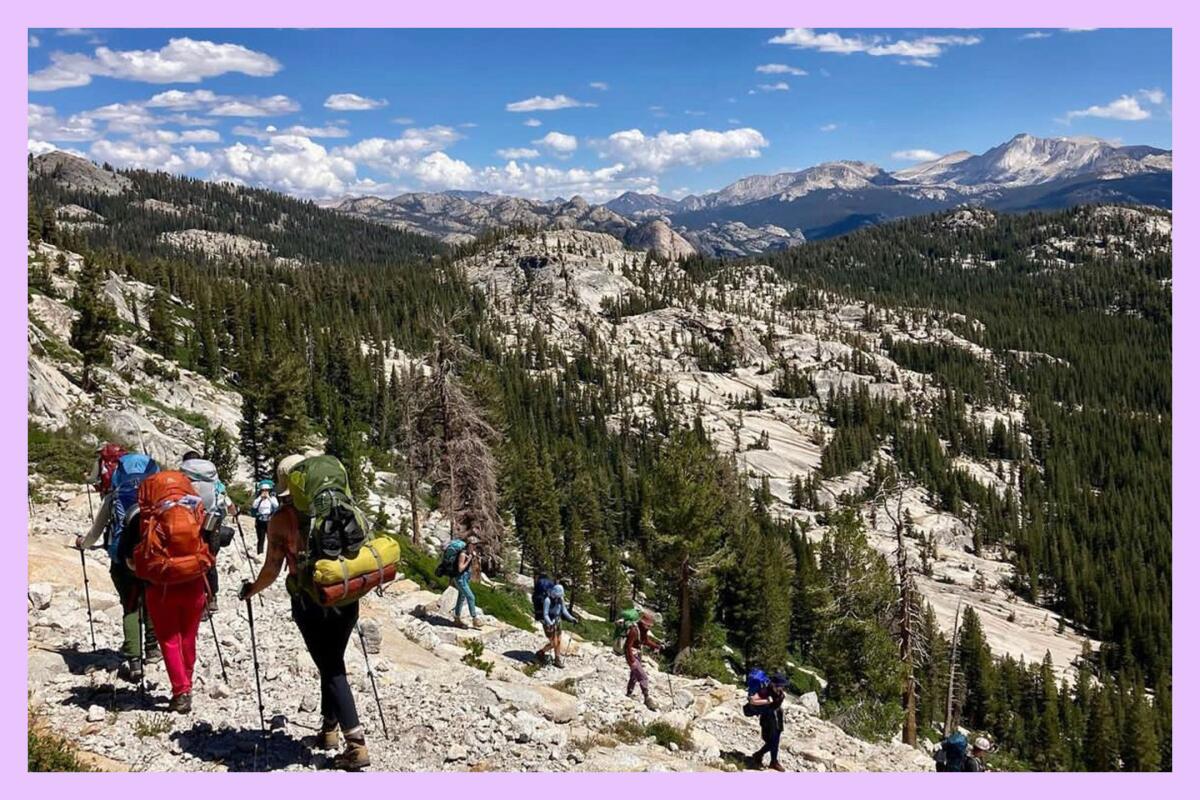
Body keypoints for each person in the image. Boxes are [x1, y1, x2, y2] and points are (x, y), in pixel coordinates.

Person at [239, 454, 370, 771]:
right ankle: (328, 730)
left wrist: (251, 590)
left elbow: (271, 570)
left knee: (330, 666)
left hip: (309, 601)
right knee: (332, 660)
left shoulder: (282, 519)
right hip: (345, 596)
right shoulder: (340, 505)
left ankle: (356, 744)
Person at [118, 472, 211, 714]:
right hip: (194, 584)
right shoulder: (195, 511)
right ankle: (187, 682)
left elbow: (125, 557)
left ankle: (181, 692)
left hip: (160, 588)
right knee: (189, 636)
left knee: (169, 640)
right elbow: (213, 547)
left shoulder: (142, 517)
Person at [76, 453, 159, 682]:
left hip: (123, 560)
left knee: (131, 606)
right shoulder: (157, 495)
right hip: (152, 558)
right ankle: (152, 648)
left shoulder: (114, 496)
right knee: (151, 599)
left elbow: (96, 531)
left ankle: (134, 660)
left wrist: (83, 544)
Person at [180, 450, 236, 617]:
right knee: (210, 560)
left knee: (190, 561)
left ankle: (194, 601)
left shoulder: (183, 479)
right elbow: (226, 502)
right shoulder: (214, 479)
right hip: (213, 524)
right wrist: (235, 513)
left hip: (188, 524)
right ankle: (212, 599)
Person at [624, 610, 664, 710]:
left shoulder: (643, 630)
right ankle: (647, 698)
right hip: (632, 655)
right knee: (643, 676)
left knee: (634, 675)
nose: (649, 627)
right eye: (648, 625)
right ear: (643, 623)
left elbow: (645, 641)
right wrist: (632, 661)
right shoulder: (634, 630)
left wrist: (656, 646)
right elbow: (627, 646)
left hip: (637, 654)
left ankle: (628, 693)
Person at [747, 672, 788, 771]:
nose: (782, 687)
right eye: (781, 685)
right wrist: (766, 701)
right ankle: (762, 756)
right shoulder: (765, 691)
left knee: (775, 741)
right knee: (771, 741)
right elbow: (752, 700)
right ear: (775, 684)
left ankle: (772, 760)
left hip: (777, 716)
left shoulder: (777, 691)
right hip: (768, 718)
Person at [536, 582, 576, 668]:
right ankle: (541, 652)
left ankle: (557, 659)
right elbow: (545, 614)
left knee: (558, 641)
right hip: (548, 624)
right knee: (553, 643)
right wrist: (550, 623)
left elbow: (564, 611)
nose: (560, 597)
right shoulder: (547, 600)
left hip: (557, 622)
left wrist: (571, 618)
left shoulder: (560, 600)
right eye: (559, 595)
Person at [453, 535, 483, 630]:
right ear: (469, 544)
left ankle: (457, 618)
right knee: (471, 597)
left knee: (461, 598)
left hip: (465, 579)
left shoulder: (470, 553)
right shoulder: (462, 554)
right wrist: (469, 559)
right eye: (474, 545)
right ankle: (474, 619)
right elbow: (460, 568)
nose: (475, 546)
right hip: (460, 579)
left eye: (476, 545)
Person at [251, 481, 279, 555]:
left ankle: (271, 554)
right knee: (260, 538)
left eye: (266, 490)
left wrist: (269, 498)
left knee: (271, 539)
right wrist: (260, 497)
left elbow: (276, 505)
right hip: (260, 520)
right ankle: (260, 553)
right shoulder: (258, 498)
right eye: (263, 490)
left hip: (269, 520)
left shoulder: (272, 498)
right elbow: (254, 506)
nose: (265, 491)